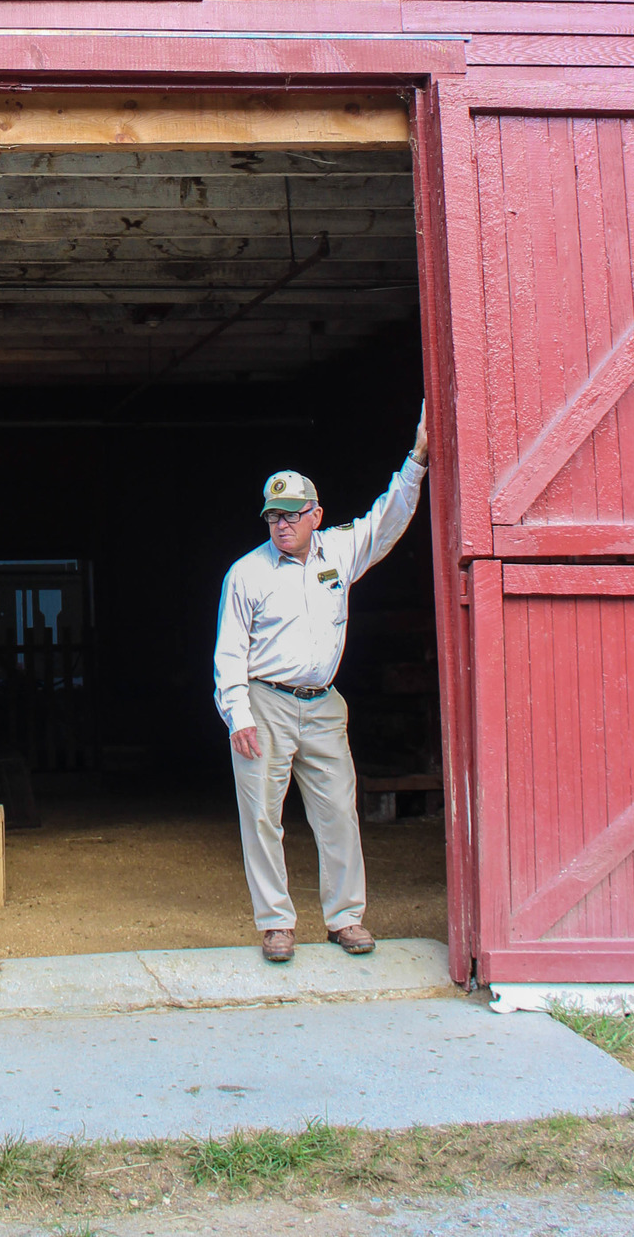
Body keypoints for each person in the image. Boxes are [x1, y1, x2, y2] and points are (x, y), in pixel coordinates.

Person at [213, 408, 429, 963]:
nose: (281, 525)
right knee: (262, 812)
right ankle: (277, 924)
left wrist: (418, 460)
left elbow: (387, 519)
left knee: (337, 809)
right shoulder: (247, 573)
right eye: (272, 517)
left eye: (291, 515)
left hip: (324, 702)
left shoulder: (339, 550)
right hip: (266, 701)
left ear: (316, 514)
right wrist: (237, 715)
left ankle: (345, 918)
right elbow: (230, 653)